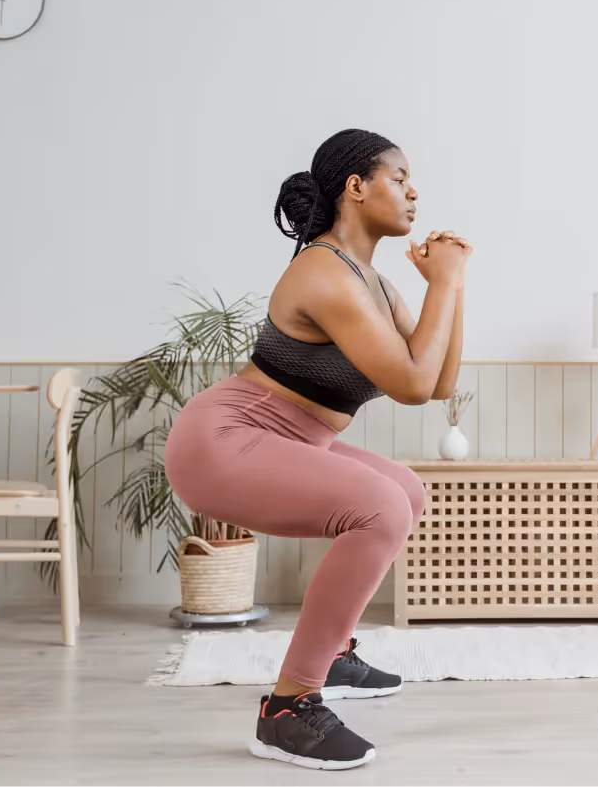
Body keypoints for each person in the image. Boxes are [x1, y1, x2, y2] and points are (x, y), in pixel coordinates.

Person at [164, 128, 470, 770]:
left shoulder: (376, 285)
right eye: (399, 178)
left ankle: (331, 655)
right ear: (356, 187)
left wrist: (452, 285)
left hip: (289, 438)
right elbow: (413, 385)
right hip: (225, 440)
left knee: (406, 492)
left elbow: (440, 382)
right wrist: (442, 283)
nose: (414, 192)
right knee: (381, 508)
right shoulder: (323, 272)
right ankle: (288, 709)